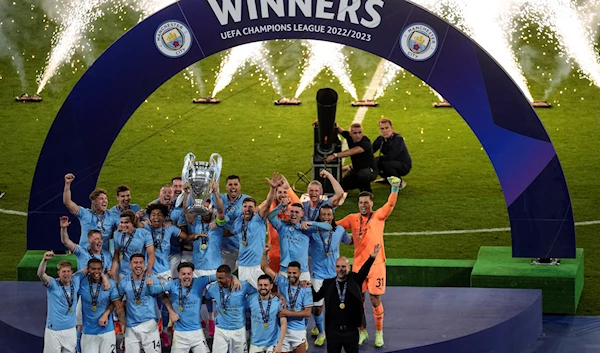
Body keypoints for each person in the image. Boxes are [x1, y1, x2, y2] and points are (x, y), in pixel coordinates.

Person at [336, 177, 401, 347]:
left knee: (374, 300)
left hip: (376, 265)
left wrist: (394, 189)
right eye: (360, 203)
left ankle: (379, 332)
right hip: (358, 266)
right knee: (358, 300)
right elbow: (336, 226)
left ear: (372, 203)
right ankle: (362, 331)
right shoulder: (352, 218)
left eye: (366, 202)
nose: (363, 205)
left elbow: (390, 206)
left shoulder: (379, 217)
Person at [146, 262, 240, 353]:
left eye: (189, 274)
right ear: (179, 275)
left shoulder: (200, 281)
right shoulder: (172, 284)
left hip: (197, 333)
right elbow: (154, 290)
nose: (186, 276)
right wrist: (150, 283)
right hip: (180, 335)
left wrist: (234, 278)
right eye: (183, 274)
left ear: (192, 274)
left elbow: (223, 276)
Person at [311, 244, 381, 353]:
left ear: (348, 268)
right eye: (338, 266)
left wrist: (372, 257)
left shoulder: (354, 280)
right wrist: (309, 286)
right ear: (335, 268)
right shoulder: (328, 283)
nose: (341, 269)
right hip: (333, 332)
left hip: (351, 331)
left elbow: (364, 271)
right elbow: (316, 297)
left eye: (343, 266)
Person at [304, 204, 352, 346]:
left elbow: (349, 241)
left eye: (329, 215)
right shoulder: (312, 232)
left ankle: (328, 331)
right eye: (323, 215)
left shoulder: (340, 230)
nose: (326, 217)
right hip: (318, 275)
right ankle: (321, 332)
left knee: (335, 307)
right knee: (317, 307)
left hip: (335, 276)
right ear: (319, 216)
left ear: (333, 216)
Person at [186, 182, 227, 336]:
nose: (206, 211)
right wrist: (187, 193)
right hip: (197, 267)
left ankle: (212, 320)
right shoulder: (195, 223)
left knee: (215, 297)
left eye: (209, 208)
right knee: (197, 297)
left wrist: (216, 192)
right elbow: (186, 210)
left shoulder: (218, 225)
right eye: (203, 207)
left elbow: (221, 211)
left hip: (214, 267)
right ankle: (198, 320)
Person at [230, 173, 281, 289]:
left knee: (264, 292)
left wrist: (272, 189)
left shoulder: (258, 219)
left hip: (256, 266)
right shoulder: (238, 222)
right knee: (244, 296)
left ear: (255, 209)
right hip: (242, 266)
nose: (247, 209)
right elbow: (231, 233)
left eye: (250, 207)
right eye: (245, 206)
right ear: (241, 208)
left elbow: (267, 204)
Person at [261, 252, 313, 353]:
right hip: (282, 329)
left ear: (300, 273)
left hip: (298, 331)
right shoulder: (282, 281)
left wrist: (287, 313)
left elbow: (307, 313)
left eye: (294, 273)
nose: (291, 275)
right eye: (289, 273)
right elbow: (265, 268)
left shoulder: (305, 289)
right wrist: (264, 253)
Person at [267, 200, 331, 281]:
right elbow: (270, 217)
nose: (294, 214)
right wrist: (280, 206)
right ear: (288, 213)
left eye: (297, 212)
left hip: (302, 272)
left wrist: (311, 223)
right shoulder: (282, 227)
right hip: (285, 271)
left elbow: (328, 227)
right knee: (284, 293)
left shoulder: (306, 228)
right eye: (292, 211)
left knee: (304, 293)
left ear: (302, 214)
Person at [38, 251, 85, 353]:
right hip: (54, 331)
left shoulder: (75, 280)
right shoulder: (52, 284)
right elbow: (41, 274)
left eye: (68, 271)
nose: (66, 274)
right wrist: (44, 260)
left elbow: (89, 268)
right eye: (63, 271)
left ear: (72, 272)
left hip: (71, 330)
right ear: (58, 273)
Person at [205, 264, 257, 353]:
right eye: (217, 278)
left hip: (238, 330)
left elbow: (255, 294)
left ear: (229, 278)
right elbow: (207, 298)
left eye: (221, 278)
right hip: (221, 329)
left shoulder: (243, 286)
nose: (218, 281)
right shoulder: (213, 288)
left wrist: (247, 304)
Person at [78, 258, 124, 353]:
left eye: (99, 269)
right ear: (88, 269)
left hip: (107, 332)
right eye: (93, 269)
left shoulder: (109, 284)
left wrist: (122, 322)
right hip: (88, 333)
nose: (96, 271)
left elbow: (117, 304)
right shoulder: (81, 283)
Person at [118, 253, 161, 353]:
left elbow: (163, 296)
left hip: (149, 323)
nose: (138, 265)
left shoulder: (153, 279)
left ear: (145, 265)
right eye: (135, 263)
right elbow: (117, 303)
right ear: (130, 265)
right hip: (131, 326)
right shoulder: (124, 282)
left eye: (141, 263)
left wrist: (153, 288)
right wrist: (122, 321)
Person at [63, 173, 117, 252]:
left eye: (106, 198)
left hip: (101, 258)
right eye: (101, 199)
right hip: (85, 255)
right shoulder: (85, 214)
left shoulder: (112, 217)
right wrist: (67, 184)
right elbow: (67, 202)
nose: (105, 201)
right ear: (94, 202)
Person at [214, 175, 251, 273]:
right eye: (230, 184)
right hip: (225, 248)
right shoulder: (219, 198)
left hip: (243, 247)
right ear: (226, 187)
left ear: (239, 186)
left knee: (244, 276)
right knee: (225, 275)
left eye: (235, 184)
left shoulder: (247, 200)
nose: (233, 187)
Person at [325, 123, 378, 193]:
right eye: (355, 133)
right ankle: (359, 184)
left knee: (363, 174)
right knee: (343, 185)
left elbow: (351, 152)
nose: (358, 135)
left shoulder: (365, 142)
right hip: (356, 169)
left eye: (360, 132)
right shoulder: (349, 137)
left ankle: (367, 191)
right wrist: (321, 122)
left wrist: (335, 155)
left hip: (370, 170)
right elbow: (337, 127)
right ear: (350, 133)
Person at [246, 274, 287, 353]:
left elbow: (283, 323)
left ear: (271, 286)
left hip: (272, 344)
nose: (263, 287)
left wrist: (280, 344)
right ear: (257, 286)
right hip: (255, 343)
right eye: (260, 285)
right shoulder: (250, 299)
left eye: (265, 285)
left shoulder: (278, 302)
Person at [111, 210, 155, 280]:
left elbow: (151, 254)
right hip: (123, 272)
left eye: (126, 222)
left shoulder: (144, 233)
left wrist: (148, 270)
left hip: (140, 271)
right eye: (121, 222)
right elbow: (116, 255)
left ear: (132, 222)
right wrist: (112, 271)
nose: (123, 225)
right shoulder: (117, 234)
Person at [373, 118, 411, 188]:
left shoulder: (398, 139)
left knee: (383, 164)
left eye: (387, 128)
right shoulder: (380, 139)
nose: (384, 131)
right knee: (376, 163)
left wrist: (376, 158)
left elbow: (391, 156)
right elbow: (371, 150)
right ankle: (387, 179)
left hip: (403, 165)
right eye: (382, 129)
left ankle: (399, 182)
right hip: (391, 162)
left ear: (392, 128)